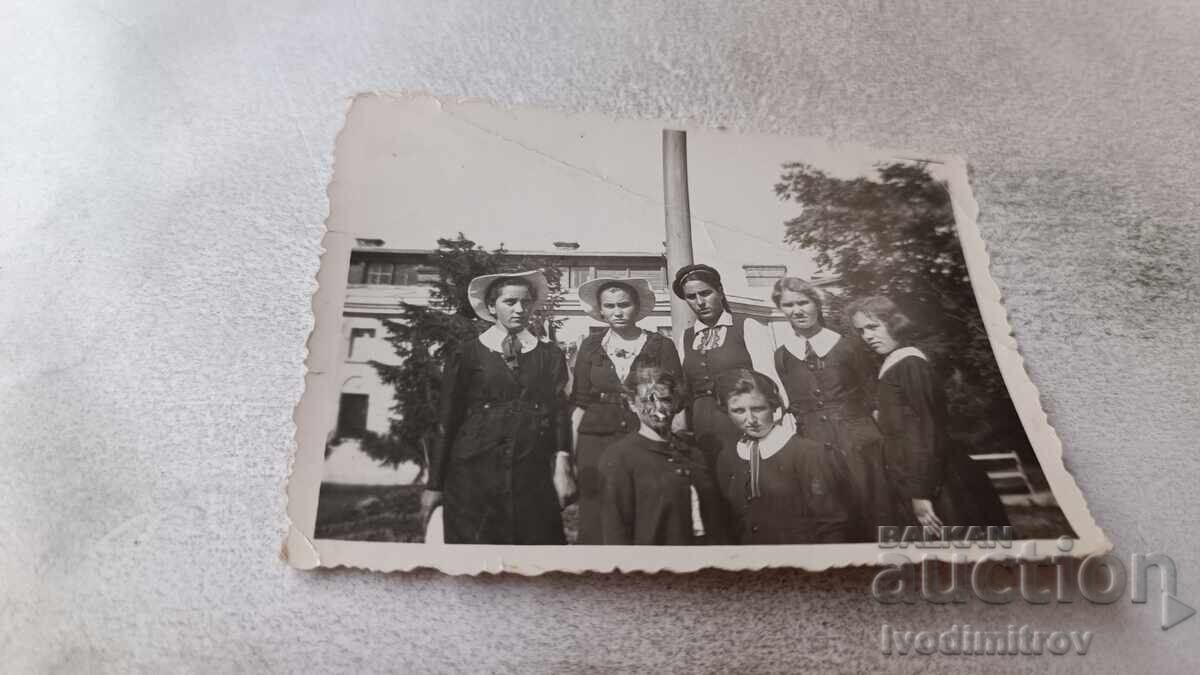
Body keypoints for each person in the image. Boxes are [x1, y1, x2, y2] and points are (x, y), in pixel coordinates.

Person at [422, 270, 576, 545]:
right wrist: (435, 484)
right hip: (471, 473)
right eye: (510, 302)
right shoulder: (467, 353)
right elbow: (448, 418)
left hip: (530, 473)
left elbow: (559, 412)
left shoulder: (548, 355)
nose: (520, 309)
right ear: (492, 307)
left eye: (526, 302)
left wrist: (563, 465)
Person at [846, 296, 1010, 533]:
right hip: (921, 478)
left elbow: (925, 432)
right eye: (861, 331)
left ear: (893, 323)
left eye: (873, 327)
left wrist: (921, 494)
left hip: (936, 485)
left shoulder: (910, 364)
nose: (867, 336)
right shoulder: (895, 365)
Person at [770, 277, 887, 541]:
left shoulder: (849, 345)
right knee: (832, 516)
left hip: (859, 442)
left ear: (817, 304)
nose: (797, 310)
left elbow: (874, 396)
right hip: (814, 445)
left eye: (803, 302)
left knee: (872, 511)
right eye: (788, 305)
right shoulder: (783, 355)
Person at [570, 277, 682, 545]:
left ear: (636, 306)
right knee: (596, 512)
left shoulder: (660, 345)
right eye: (609, 306)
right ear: (600, 310)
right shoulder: (590, 345)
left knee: (644, 507)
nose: (617, 312)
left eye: (624, 304)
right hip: (595, 438)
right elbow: (580, 401)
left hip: (644, 434)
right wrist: (572, 455)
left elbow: (677, 399)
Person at [714, 369, 859, 544]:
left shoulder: (807, 453)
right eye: (738, 411)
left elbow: (832, 525)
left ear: (774, 406)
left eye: (758, 409)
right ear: (727, 412)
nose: (750, 419)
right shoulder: (728, 457)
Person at [599, 367, 727, 545]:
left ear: (675, 401)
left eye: (665, 400)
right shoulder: (620, 456)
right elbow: (615, 531)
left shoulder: (693, 453)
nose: (658, 408)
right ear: (632, 404)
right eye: (647, 401)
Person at [672, 263, 783, 468]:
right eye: (691, 297)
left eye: (706, 293)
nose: (700, 302)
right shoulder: (686, 338)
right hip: (702, 427)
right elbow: (683, 388)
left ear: (720, 292)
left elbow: (770, 382)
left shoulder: (747, 327)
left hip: (744, 422)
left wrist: (776, 427)